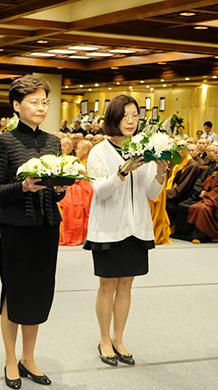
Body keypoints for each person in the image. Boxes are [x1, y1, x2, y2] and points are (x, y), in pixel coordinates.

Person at [0, 74, 66, 389]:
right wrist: (22, 187)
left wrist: (59, 189)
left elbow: (57, 186)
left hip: (47, 226)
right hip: (17, 227)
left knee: (38, 294)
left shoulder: (53, 141)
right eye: (34, 102)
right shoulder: (5, 141)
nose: (41, 107)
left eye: (44, 101)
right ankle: (10, 358)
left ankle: (29, 357)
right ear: (17, 106)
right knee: (14, 292)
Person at [85, 94, 166, 367]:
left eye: (135, 116)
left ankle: (119, 339)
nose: (131, 121)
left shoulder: (143, 148)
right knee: (107, 285)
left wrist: (161, 172)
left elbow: (152, 193)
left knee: (127, 285)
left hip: (137, 229)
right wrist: (123, 170)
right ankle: (104, 339)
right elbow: (100, 191)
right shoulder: (99, 151)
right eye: (125, 116)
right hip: (109, 230)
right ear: (113, 118)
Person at [173, 145, 218, 243]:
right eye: (215, 153)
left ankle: (200, 236)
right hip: (206, 197)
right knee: (182, 205)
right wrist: (200, 191)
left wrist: (207, 195)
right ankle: (183, 235)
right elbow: (200, 181)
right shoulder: (211, 167)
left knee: (201, 209)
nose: (217, 155)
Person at [59, 140, 93, 246]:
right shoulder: (78, 163)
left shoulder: (90, 164)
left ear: (85, 150)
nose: (76, 151)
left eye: (78, 148)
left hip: (84, 195)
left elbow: (88, 186)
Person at [165, 140, 201, 226]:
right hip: (174, 191)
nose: (178, 151)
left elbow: (183, 188)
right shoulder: (177, 163)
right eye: (176, 149)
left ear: (187, 150)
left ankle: (167, 227)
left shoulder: (192, 165)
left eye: (181, 148)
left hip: (184, 195)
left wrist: (167, 194)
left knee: (165, 203)